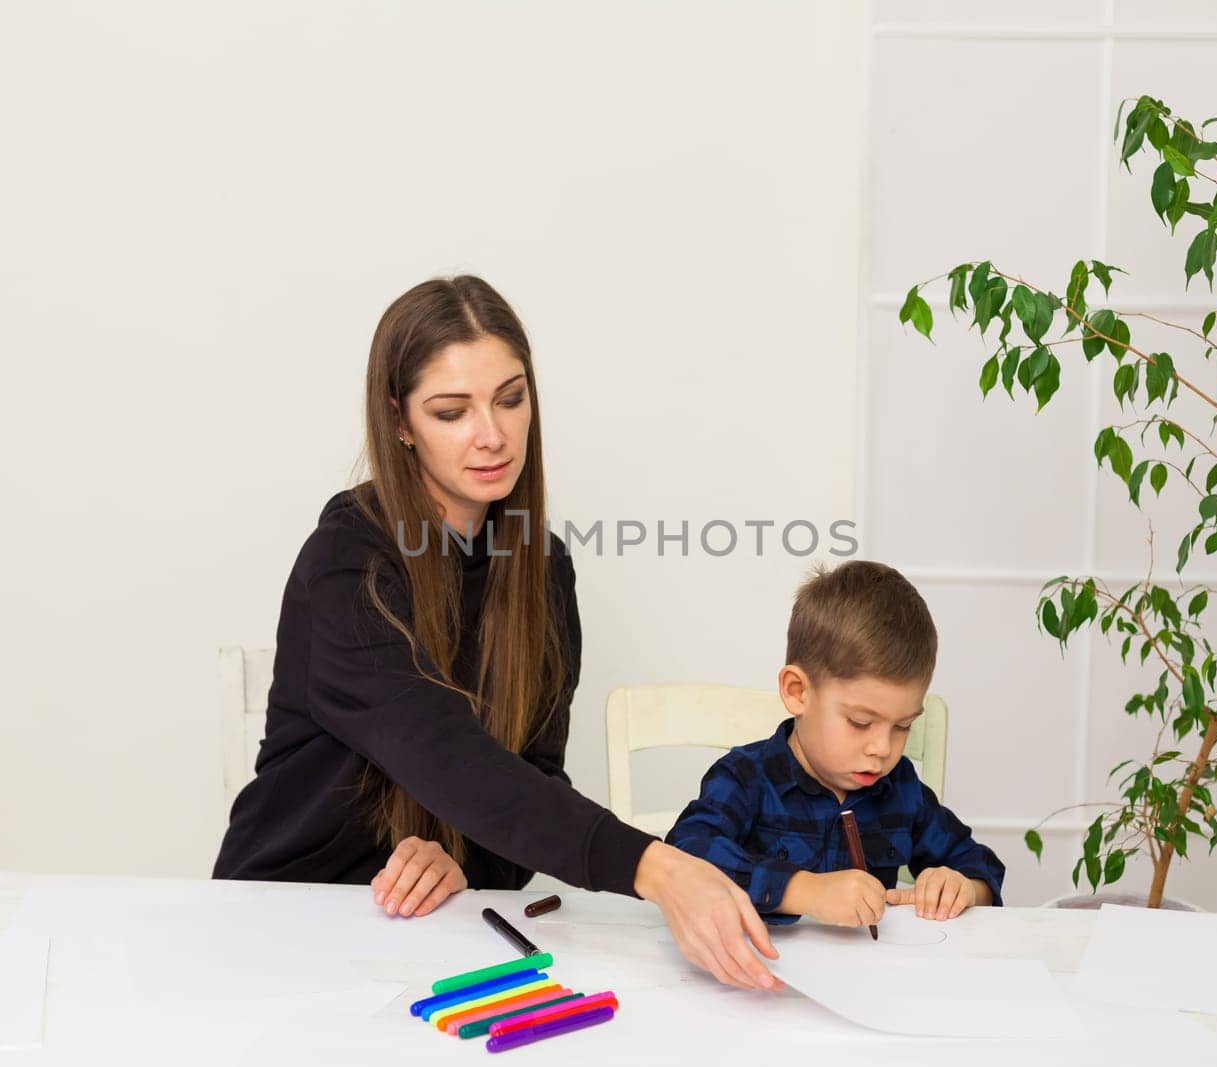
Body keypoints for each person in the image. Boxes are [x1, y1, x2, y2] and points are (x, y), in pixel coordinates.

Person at [213, 275, 780, 990]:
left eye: (511, 398)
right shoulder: (346, 562)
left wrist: (466, 864)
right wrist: (657, 867)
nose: (493, 433)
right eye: (452, 411)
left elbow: (531, 777)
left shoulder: (540, 569)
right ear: (399, 421)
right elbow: (444, 751)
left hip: (436, 930)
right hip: (283, 921)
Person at [667, 561, 1004, 928]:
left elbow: (979, 864)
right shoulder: (746, 778)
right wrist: (805, 890)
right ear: (798, 692)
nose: (882, 748)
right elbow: (686, 854)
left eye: (903, 726)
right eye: (860, 722)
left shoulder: (900, 788)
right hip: (763, 975)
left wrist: (964, 888)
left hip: (870, 976)